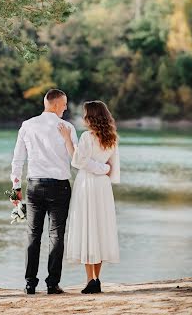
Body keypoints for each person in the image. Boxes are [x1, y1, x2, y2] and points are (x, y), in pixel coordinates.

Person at [10, 89, 111, 295]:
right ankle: (52, 284)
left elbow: (18, 159)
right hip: (59, 187)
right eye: (64, 104)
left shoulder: (27, 126)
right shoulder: (67, 127)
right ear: (55, 104)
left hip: (35, 186)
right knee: (56, 236)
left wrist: (16, 188)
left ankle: (30, 283)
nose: (66, 108)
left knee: (33, 235)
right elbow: (76, 160)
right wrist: (103, 168)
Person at [58, 100, 120, 295]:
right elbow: (112, 167)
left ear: (91, 117)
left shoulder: (86, 136)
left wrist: (68, 139)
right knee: (99, 228)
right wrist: (104, 169)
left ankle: (89, 280)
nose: (83, 118)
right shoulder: (111, 137)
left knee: (87, 228)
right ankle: (97, 279)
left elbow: (78, 161)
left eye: (85, 114)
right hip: (103, 186)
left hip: (87, 184)